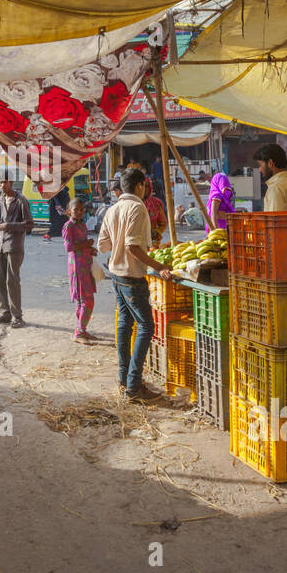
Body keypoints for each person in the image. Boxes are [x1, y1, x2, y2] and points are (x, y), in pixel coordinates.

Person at [98, 168, 173, 401]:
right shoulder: (137, 207)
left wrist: (119, 246)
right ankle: (133, 386)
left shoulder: (112, 209)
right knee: (146, 327)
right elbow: (132, 246)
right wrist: (159, 266)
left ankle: (125, 379)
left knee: (124, 325)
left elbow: (103, 245)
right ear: (140, 186)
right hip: (131, 277)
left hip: (116, 275)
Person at [0, 173, 33, 328]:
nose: (2, 186)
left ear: (11, 182)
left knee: (12, 281)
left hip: (14, 246)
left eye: (4, 182)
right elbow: (4, 220)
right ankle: (5, 313)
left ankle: (17, 316)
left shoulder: (21, 200)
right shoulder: (1, 198)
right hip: (1, 244)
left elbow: (29, 225)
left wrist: (9, 226)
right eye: (0, 183)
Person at [63, 197, 98, 343]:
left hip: (86, 263)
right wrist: (86, 244)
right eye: (76, 209)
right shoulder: (68, 226)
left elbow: (81, 245)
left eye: (81, 209)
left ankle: (82, 329)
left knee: (81, 300)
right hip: (77, 266)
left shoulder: (82, 225)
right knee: (87, 300)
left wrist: (90, 249)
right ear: (69, 210)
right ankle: (79, 332)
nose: (79, 212)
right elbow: (69, 247)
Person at [253, 144, 287, 211]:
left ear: (270, 163)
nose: (260, 169)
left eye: (260, 165)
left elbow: (274, 220)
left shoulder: (275, 188)